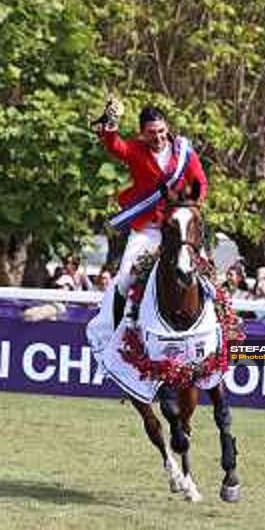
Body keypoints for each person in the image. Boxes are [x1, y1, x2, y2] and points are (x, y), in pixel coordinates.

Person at [87, 99, 209, 349]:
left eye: (162, 131)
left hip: (179, 227)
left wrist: (191, 207)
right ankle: (117, 333)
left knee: (208, 275)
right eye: (152, 133)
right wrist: (110, 123)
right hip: (149, 228)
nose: (159, 137)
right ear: (143, 133)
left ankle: (219, 329)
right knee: (123, 279)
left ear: (167, 128)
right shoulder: (136, 150)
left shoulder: (183, 150)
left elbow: (200, 182)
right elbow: (114, 145)